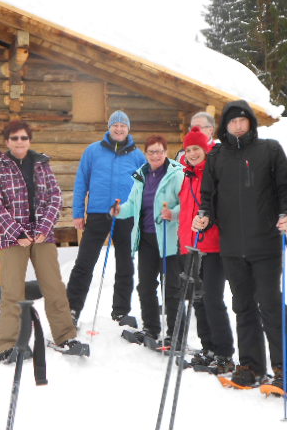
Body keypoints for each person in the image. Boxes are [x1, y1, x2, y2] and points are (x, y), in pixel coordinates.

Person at [193, 100, 287, 391]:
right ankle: (251, 365)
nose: (238, 126)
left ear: (251, 122)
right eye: (232, 122)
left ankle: (286, 370)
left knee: (269, 304)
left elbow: (286, 187)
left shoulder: (269, 149)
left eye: (243, 121)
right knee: (243, 306)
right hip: (231, 246)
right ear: (225, 126)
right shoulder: (217, 156)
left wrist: (286, 212)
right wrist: (205, 216)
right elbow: (208, 196)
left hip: (265, 243)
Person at [0, 120, 83, 361]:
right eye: (14, 138)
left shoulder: (42, 164)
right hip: (12, 239)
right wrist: (15, 232)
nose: (20, 142)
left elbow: (55, 197)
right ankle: (8, 344)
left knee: (54, 286)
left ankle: (65, 336)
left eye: (23, 138)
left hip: (42, 236)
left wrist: (44, 227)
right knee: (12, 291)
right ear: (7, 141)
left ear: (30, 140)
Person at [66, 110, 146, 326]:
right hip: (98, 213)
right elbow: (81, 182)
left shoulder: (138, 156)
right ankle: (71, 310)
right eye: (115, 125)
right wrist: (77, 213)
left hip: (125, 216)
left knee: (125, 265)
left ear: (128, 129)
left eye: (123, 125)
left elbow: (145, 188)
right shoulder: (93, 151)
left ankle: (120, 311)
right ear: (109, 128)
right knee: (84, 263)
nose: (119, 129)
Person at [111, 135, 184, 346]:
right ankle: (151, 329)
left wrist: (174, 213)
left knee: (171, 288)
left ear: (166, 152)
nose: (155, 155)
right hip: (146, 239)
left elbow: (187, 203)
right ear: (146, 154)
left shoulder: (176, 174)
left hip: (168, 238)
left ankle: (175, 334)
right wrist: (118, 210)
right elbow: (132, 205)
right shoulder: (141, 176)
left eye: (159, 151)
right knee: (146, 287)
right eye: (151, 152)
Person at [178, 126, 235, 374]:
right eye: (188, 149)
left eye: (196, 148)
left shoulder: (214, 171)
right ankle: (208, 347)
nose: (192, 153)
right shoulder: (187, 175)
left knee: (212, 298)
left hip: (214, 245)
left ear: (205, 148)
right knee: (198, 300)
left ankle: (224, 353)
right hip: (192, 245)